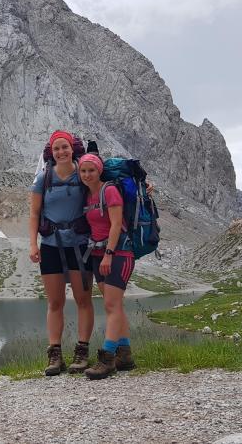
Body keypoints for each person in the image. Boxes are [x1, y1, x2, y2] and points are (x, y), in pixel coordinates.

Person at [28, 130, 94, 376]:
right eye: (56, 149)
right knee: (55, 302)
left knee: (83, 299)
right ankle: (55, 354)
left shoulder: (85, 173)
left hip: (79, 245)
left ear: (73, 148)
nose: (61, 152)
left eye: (64, 147)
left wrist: (146, 187)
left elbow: (108, 189)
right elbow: (34, 213)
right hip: (51, 245)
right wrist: (33, 244)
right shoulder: (42, 179)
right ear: (51, 153)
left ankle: (82, 350)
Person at [77, 153, 137, 380]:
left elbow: (115, 224)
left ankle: (107, 358)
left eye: (91, 170)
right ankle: (125, 355)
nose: (87, 175)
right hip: (98, 253)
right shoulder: (88, 195)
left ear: (99, 171)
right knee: (114, 305)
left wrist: (109, 254)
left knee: (111, 305)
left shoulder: (109, 191)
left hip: (118, 253)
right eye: (83, 171)